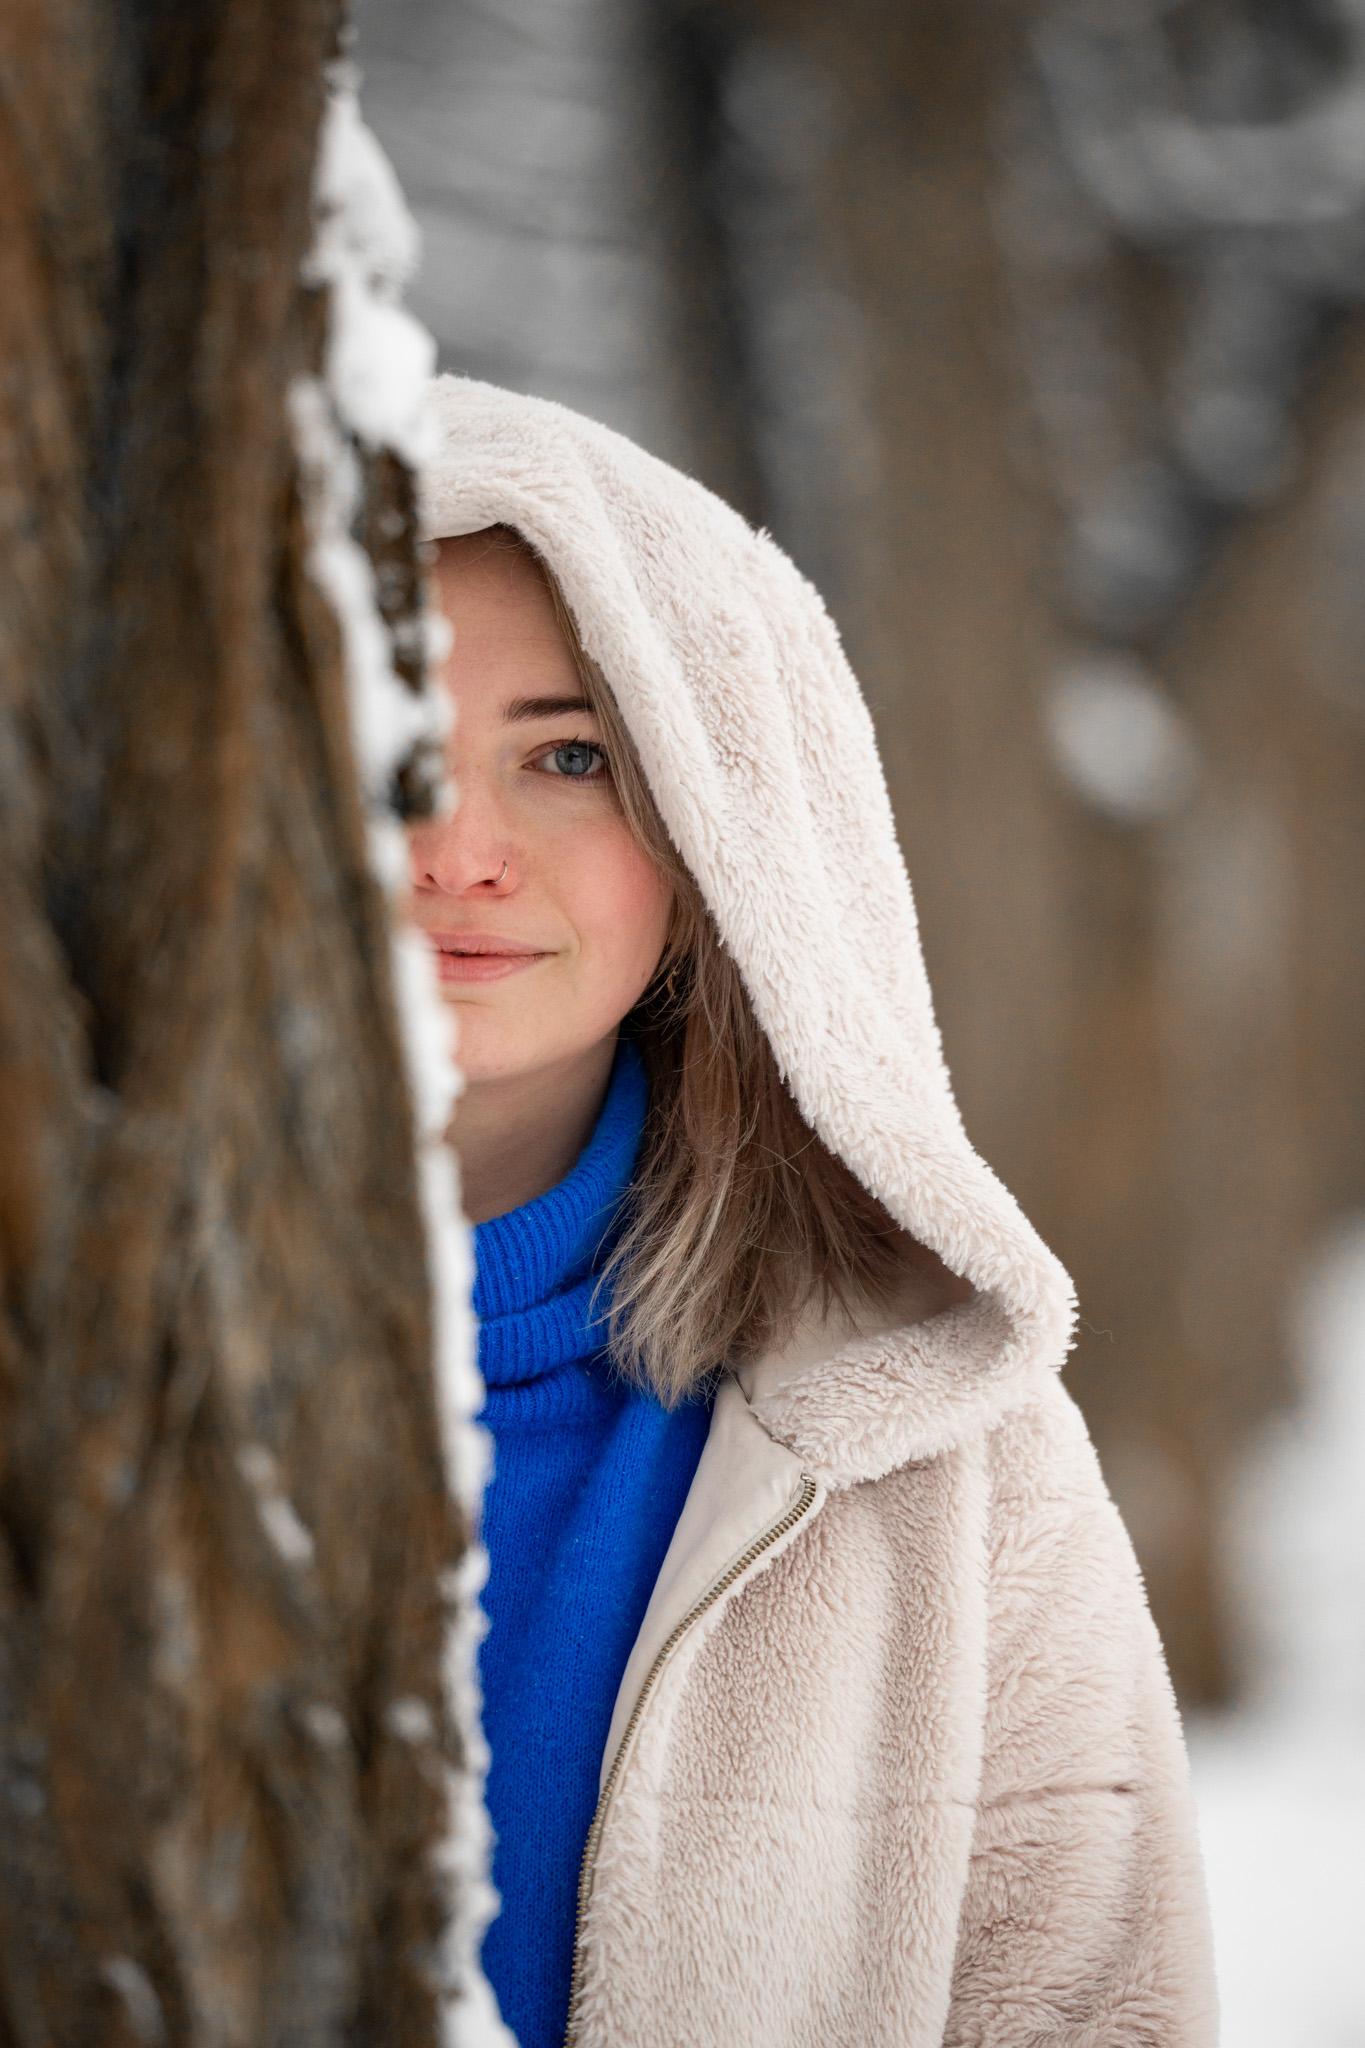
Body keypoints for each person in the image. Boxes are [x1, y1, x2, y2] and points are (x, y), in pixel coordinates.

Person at [408, 375, 1217, 2048]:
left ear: (716, 832)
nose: (461, 849)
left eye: (569, 756)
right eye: (379, 747)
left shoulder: (938, 1457)